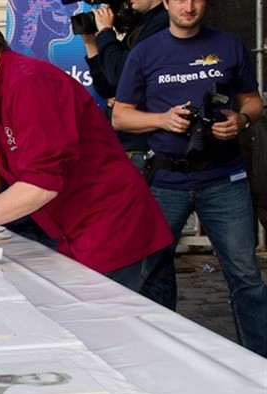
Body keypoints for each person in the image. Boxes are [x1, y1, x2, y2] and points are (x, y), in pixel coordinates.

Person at [0, 0, 172, 292]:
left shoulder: (28, 83)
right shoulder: (4, 88)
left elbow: (42, 183)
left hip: (118, 238)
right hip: (86, 236)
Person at [112, 0, 266, 357]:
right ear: (166, 2)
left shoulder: (229, 45)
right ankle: (161, 355)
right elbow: (120, 117)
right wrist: (162, 120)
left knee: (246, 277)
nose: (189, 5)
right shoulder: (145, 52)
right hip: (166, 179)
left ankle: (261, 363)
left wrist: (240, 121)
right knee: (150, 270)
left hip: (224, 177)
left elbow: (254, 102)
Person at [79, 0, 168, 162]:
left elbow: (118, 74)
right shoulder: (141, 25)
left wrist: (106, 30)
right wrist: (90, 42)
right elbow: (107, 88)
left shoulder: (163, 22)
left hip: (147, 142)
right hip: (124, 141)